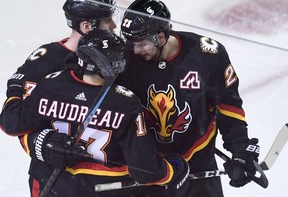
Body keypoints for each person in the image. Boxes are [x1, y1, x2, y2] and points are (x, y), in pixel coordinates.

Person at [1, 29, 190, 196]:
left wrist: (16, 91)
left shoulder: (51, 84)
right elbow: (145, 170)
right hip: (102, 189)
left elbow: (11, 124)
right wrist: (173, 170)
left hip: (49, 185)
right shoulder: (125, 103)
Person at [118, 0, 262, 196]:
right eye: (130, 42)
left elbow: (228, 107)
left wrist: (240, 152)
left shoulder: (206, 55)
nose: (134, 49)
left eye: (141, 44)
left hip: (198, 164)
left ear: (160, 38)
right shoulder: (125, 59)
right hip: (148, 168)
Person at [0, 0, 117, 135]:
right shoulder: (48, 60)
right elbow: (13, 121)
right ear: (87, 26)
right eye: (107, 20)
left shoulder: (114, 54)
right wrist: (41, 142)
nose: (113, 25)